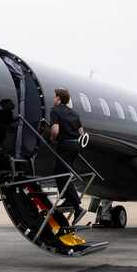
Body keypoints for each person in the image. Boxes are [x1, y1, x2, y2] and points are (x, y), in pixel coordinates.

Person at [49, 88, 87, 225]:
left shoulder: (55, 111)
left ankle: (77, 207)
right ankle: (69, 200)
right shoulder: (74, 113)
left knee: (61, 174)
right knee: (63, 173)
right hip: (75, 146)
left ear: (58, 98)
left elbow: (55, 129)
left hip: (64, 145)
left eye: (54, 97)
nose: (54, 99)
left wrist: (52, 138)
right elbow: (82, 132)